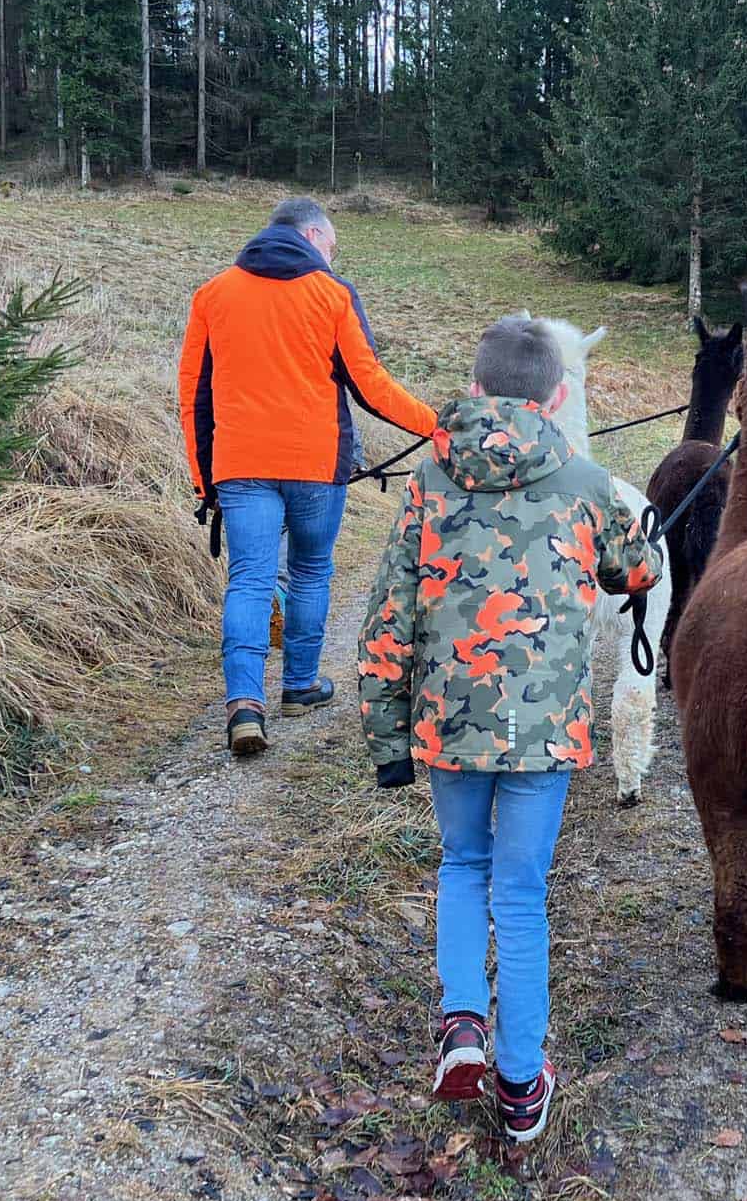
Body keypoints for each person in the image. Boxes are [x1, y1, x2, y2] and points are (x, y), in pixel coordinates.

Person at [358, 316, 661, 1144]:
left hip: (450, 731)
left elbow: (387, 616)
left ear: (477, 386)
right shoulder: (588, 485)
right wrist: (643, 548)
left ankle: (463, 1027)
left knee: (462, 864)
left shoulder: (429, 482)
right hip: (544, 739)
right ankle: (522, 1084)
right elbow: (637, 571)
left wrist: (389, 740)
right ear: (558, 394)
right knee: (522, 896)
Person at [178, 196, 439, 758]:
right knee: (311, 570)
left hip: (241, 466)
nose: (332, 255)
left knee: (249, 578)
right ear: (314, 235)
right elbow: (370, 385)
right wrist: (438, 426)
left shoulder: (213, 295)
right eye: (333, 245)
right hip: (316, 465)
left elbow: (194, 397)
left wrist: (205, 482)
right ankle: (299, 685)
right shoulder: (333, 294)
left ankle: (244, 704)